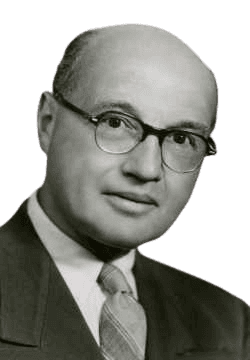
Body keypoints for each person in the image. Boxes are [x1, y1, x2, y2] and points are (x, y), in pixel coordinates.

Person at [0, 24, 249, 360]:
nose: (146, 169)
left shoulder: (230, 324)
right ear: (48, 121)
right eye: (115, 122)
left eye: (180, 139)